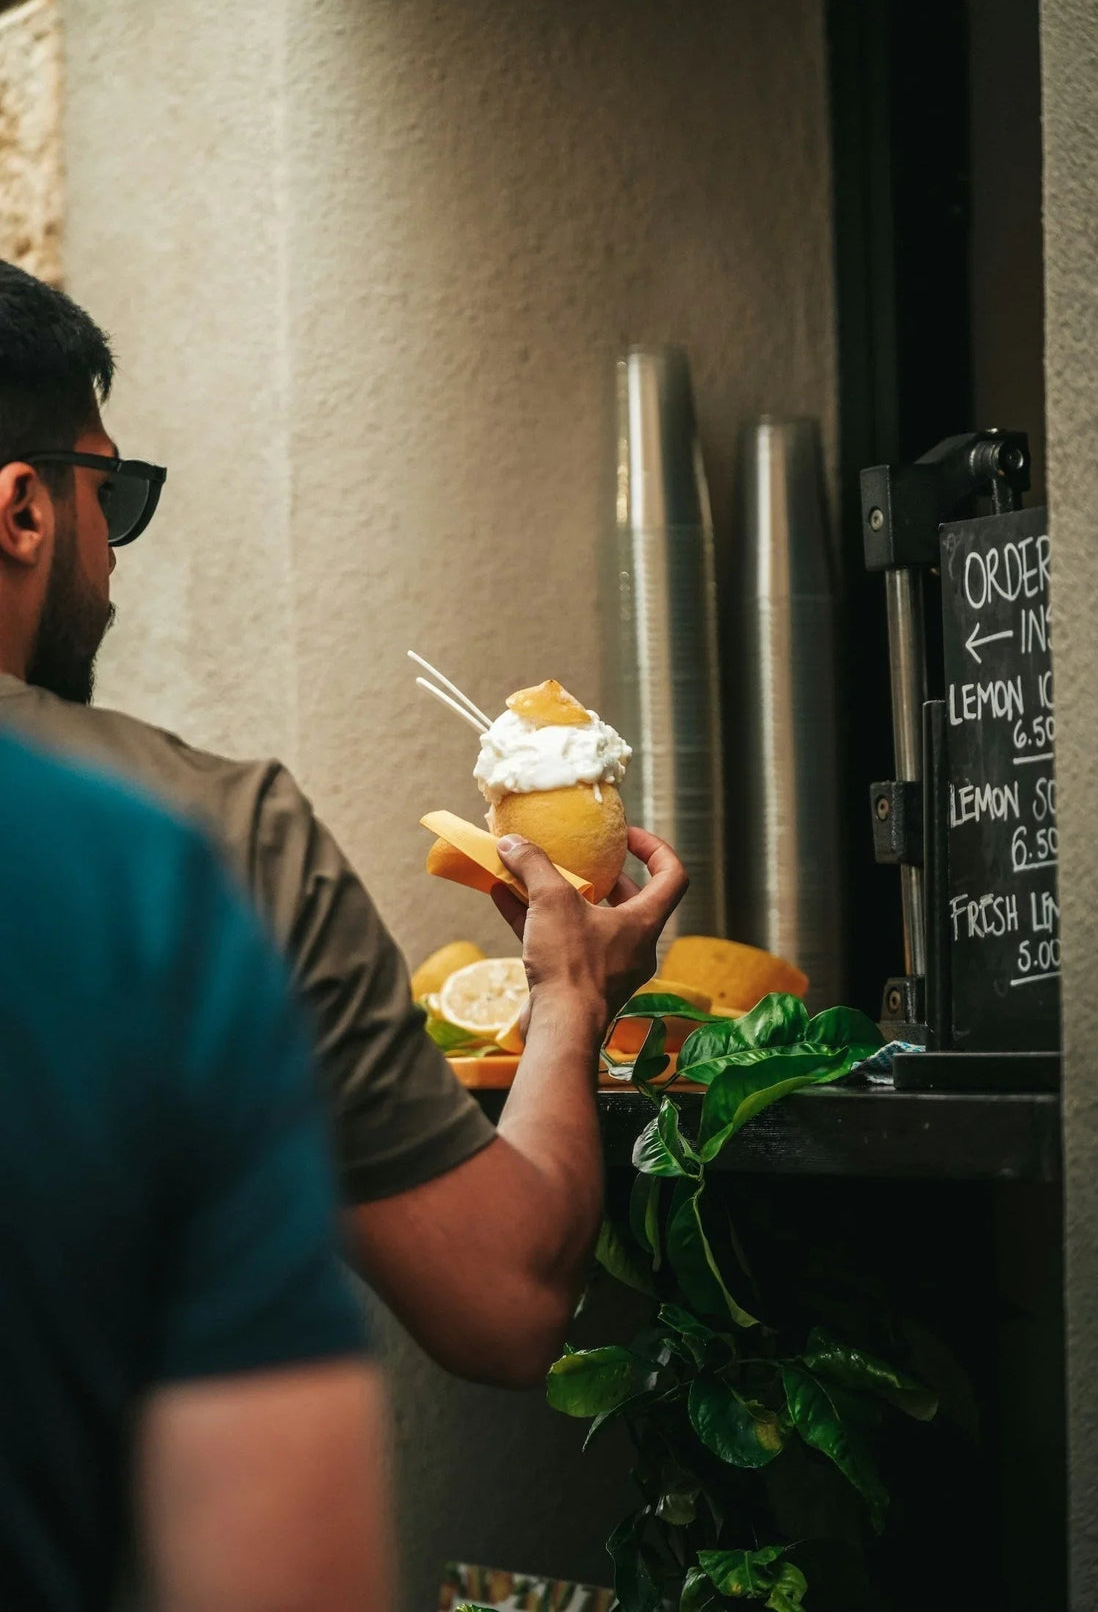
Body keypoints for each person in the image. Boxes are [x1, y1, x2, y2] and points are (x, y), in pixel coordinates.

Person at [0, 260, 688, 1388]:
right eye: (107, 496)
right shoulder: (210, 837)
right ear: (24, 510)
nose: (113, 551)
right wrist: (570, 992)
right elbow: (503, 1300)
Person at [0, 724, 391, 1612]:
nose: (108, 581)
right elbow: (504, 1303)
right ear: (19, 567)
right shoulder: (133, 882)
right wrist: (567, 990)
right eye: (108, 566)